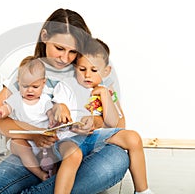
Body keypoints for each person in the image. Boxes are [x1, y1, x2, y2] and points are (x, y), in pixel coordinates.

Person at [0, 8, 129, 194]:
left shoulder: (90, 72)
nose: (65, 58)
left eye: (73, 52)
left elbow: (120, 125)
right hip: (36, 155)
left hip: (80, 154)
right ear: (45, 36)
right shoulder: (29, 71)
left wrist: (95, 123)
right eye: (59, 48)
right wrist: (36, 135)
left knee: (117, 158)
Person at [52, 37, 153, 194]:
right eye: (82, 69)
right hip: (69, 138)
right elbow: (59, 109)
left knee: (133, 138)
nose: (87, 75)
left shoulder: (106, 90)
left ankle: (143, 191)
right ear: (74, 67)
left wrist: (105, 95)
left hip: (96, 136)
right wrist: (64, 112)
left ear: (106, 71)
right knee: (74, 154)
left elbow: (113, 123)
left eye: (94, 70)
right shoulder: (66, 86)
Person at [0, 56, 55, 181]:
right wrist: (1, 111)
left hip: (43, 140)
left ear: (43, 83)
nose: (30, 90)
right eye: (25, 86)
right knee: (19, 145)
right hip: (23, 139)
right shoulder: (17, 99)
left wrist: (53, 120)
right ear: (18, 82)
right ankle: (39, 173)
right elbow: (7, 107)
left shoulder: (45, 100)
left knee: (53, 146)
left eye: (35, 86)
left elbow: (51, 113)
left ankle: (51, 169)